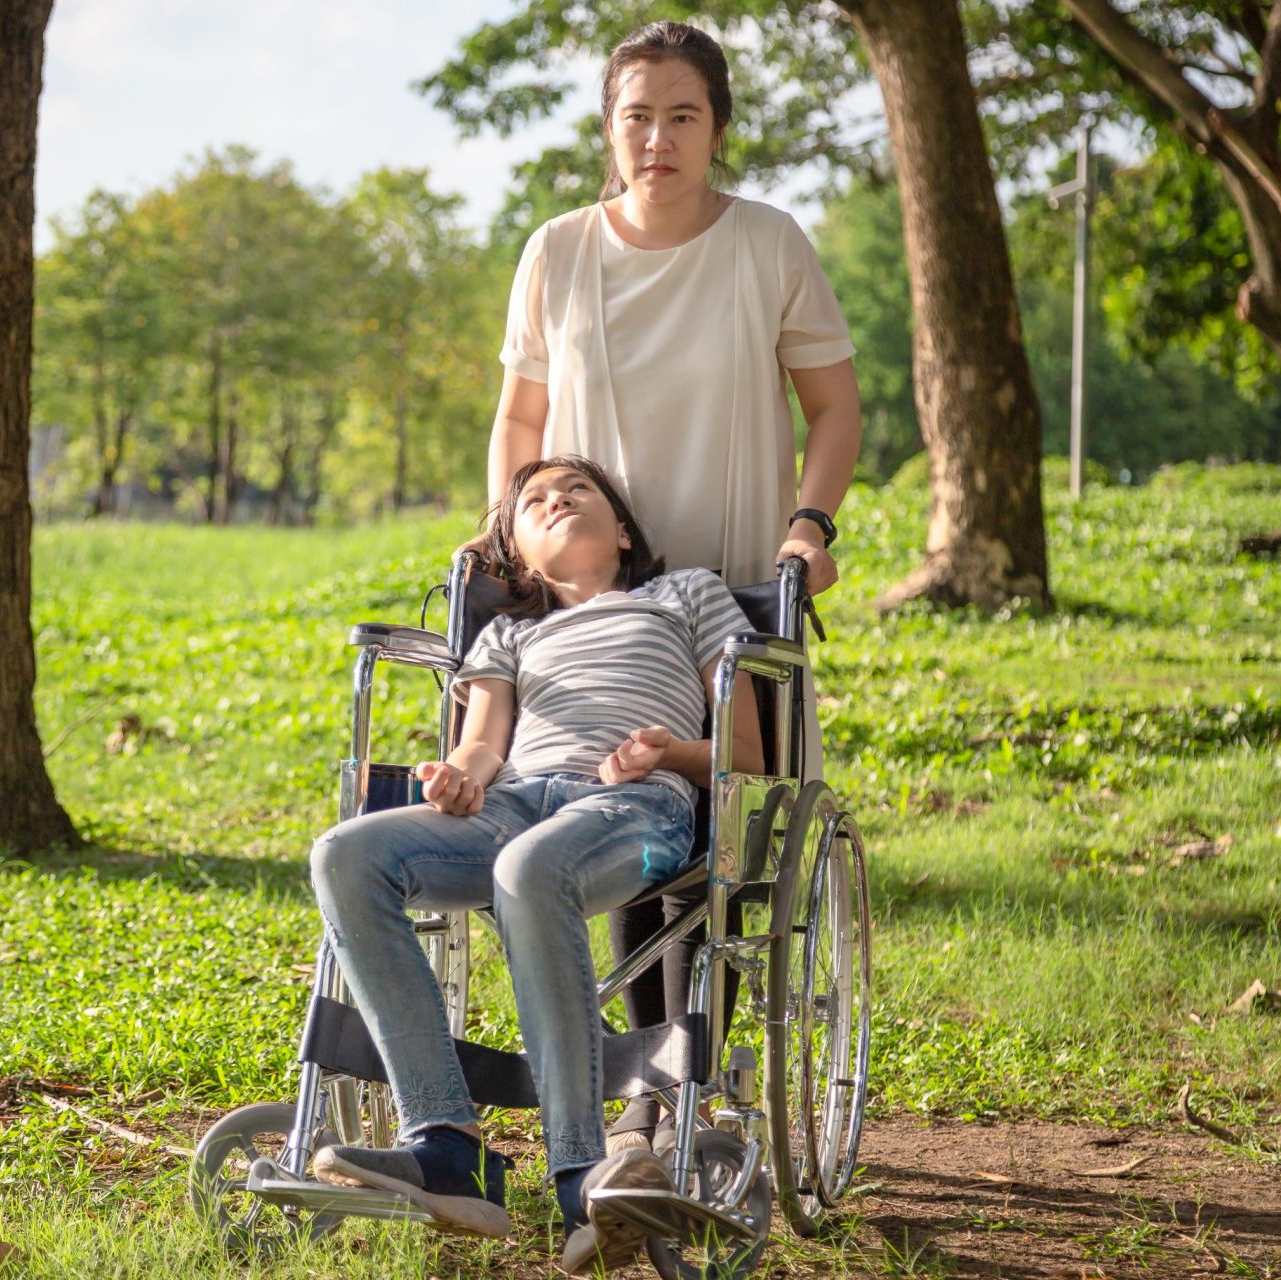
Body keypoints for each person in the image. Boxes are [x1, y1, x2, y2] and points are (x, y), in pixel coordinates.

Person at [483, 20, 864, 1152]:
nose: (657, 137)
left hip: (734, 588)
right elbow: (519, 418)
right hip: (593, 599)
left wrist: (809, 528)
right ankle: (646, 1090)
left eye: (682, 115)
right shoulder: (557, 250)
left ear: (718, 129)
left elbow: (833, 408)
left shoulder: (766, 244)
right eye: (636, 114)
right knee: (611, 803)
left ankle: (686, 1082)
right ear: (610, 127)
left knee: (717, 836)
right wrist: (510, 540)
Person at [309, 456, 763, 1275]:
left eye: (576, 491)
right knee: (346, 854)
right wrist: (463, 776)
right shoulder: (507, 634)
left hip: (639, 806)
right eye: (535, 501)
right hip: (512, 805)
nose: (556, 501)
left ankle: (579, 1174)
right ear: (517, 553)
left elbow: (747, 752)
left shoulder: (685, 594)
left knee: (528, 868)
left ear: (622, 531)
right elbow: (483, 739)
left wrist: (672, 751)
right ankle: (448, 1147)